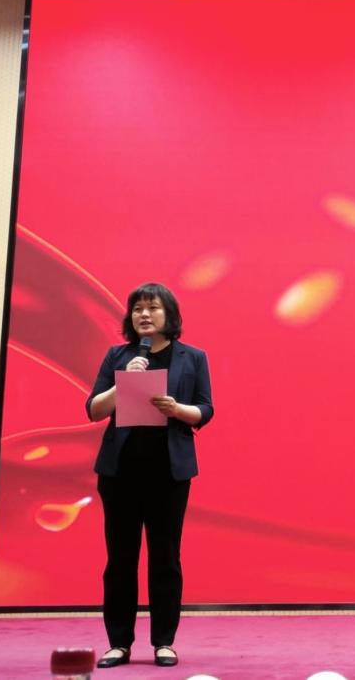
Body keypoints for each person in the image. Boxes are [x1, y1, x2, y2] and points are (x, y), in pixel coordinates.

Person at [85, 283, 214, 669]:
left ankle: (164, 642)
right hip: (120, 473)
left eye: (152, 308)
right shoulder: (118, 355)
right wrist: (123, 381)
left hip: (168, 473)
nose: (144, 314)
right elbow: (94, 409)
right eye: (138, 308)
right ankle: (119, 644)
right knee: (120, 559)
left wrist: (177, 409)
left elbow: (205, 409)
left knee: (165, 558)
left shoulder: (193, 357)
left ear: (169, 314)